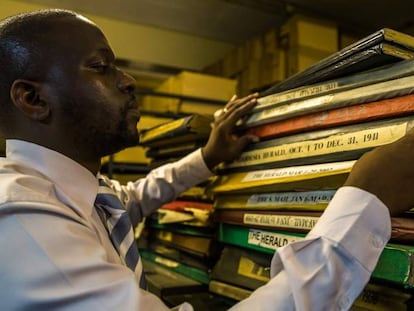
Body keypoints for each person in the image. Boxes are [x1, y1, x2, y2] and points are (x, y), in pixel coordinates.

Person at [0, 8, 412, 311]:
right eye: (101, 67)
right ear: (33, 99)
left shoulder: (77, 195)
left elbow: (135, 197)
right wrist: (365, 199)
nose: (127, 80)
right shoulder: (23, 223)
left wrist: (208, 157)